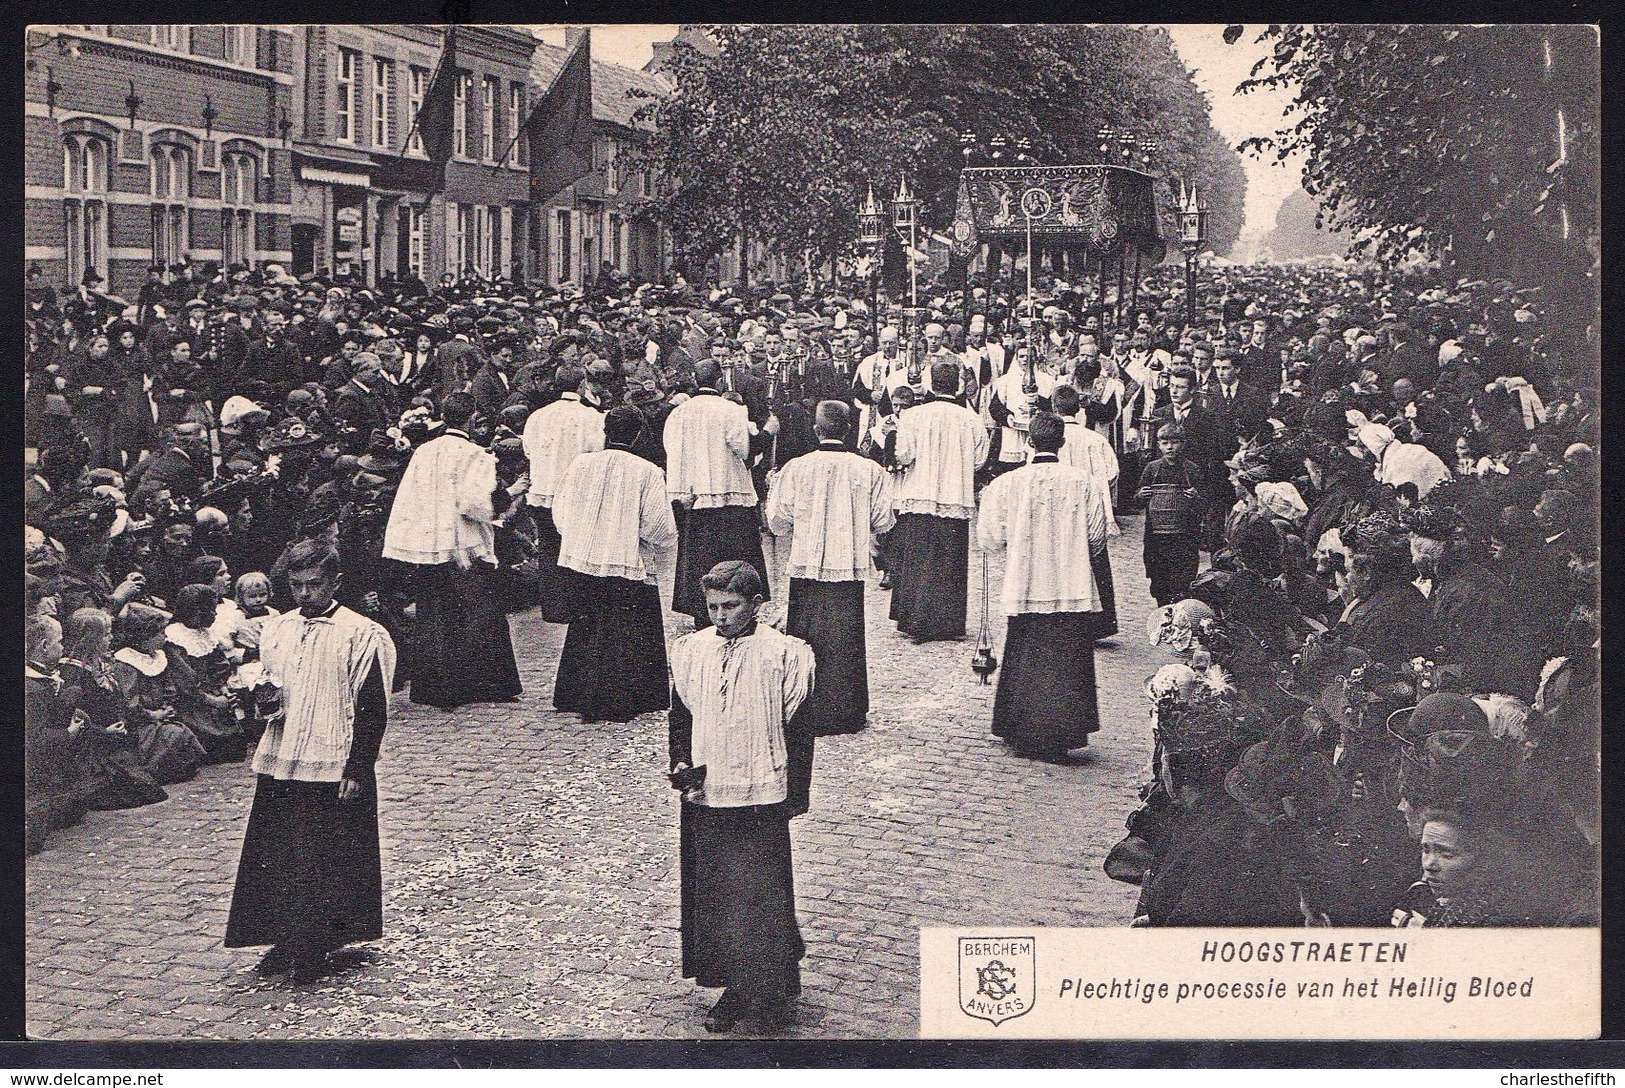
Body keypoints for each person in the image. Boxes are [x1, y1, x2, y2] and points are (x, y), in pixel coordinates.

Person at [225, 539, 397, 982]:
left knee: (328, 853)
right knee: (280, 850)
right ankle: (284, 936)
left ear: (335, 582)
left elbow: (372, 708)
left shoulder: (361, 633)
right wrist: (264, 698)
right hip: (285, 754)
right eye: (296, 585)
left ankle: (320, 940)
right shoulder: (278, 629)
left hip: (333, 756)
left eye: (314, 585)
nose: (304, 595)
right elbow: (271, 687)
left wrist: (359, 767)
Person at [668, 561, 815, 1033]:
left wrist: (795, 793)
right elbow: (682, 715)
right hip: (709, 789)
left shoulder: (784, 654)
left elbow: (800, 727)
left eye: (731, 606)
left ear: (757, 605)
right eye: (713, 607)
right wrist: (680, 761)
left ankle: (771, 986)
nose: (721, 616)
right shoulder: (692, 651)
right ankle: (733, 985)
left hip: (761, 788)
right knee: (717, 890)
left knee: (761, 889)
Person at [765, 400, 895, 814]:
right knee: (844, 638)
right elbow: (884, 522)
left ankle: (805, 704)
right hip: (847, 565)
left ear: (816, 428)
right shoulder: (868, 471)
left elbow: (777, 520)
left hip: (806, 564)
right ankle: (845, 709)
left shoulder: (796, 468)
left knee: (804, 637)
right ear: (849, 427)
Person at [978, 413, 1112, 761]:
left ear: (1029, 442)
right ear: (1063, 443)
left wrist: (1019, 547)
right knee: (1066, 654)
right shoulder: (1084, 482)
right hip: (1071, 583)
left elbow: (989, 538)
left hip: (1026, 581)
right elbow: (1097, 539)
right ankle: (1062, 732)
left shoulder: (1007, 483)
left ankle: (1021, 729)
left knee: (1025, 651)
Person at [381, 393, 522, 708]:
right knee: (478, 613)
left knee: (436, 613)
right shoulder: (475, 455)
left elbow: (409, 498)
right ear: (471, 419)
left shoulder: (424, 452)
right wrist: (508, 496)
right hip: (464, 545)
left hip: (430, 544)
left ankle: (435, 686)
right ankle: (485, 685)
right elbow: (474, 504)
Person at [551, 405, 678, 723]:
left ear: (606, 432)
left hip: (585, 560)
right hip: (625, 560)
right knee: (624, 630)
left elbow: (561, 513)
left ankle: (577, 693)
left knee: (587, 627)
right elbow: (658, 529)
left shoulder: (581, 464)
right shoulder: (647, 471)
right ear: (637, 435)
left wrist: (583, 538)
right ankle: (622, 697)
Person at [663, 361, 777, 627]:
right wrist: (768, 432)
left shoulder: (678, 414)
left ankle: (702, 614)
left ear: (694, 380)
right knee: (733, 560)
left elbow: (671, 451)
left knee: (699, 560)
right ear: (720, 382)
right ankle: (737, 613)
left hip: (693, 499)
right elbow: (746, 451)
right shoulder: (732, 410)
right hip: (731, 500)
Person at [888, 360, 989, 642]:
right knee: (949, 562)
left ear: (931, 384)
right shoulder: (972, 419)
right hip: (954, 496)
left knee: (919, 560)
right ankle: (948, 624)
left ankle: (916, 621)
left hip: (920, 493)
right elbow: (980, 460)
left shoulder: (914, 416)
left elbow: (903, 455)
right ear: (957, 385)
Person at [523, 364, 605, 623]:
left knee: (549, 548)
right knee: (578, 547)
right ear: (582, 385)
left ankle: (555, 607)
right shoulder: (591, 417)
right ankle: (578, 606)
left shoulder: (537, 416)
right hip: (576, 493)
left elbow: (528, 450)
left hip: (543, 490)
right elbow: (597, 451)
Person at [1135, 423, 1204, 607]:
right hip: (1156, 537)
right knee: (1159, 579)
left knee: (1182, 579)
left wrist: (1197, 497)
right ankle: (1163, 611)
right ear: (1158, 445)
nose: (1170, 447)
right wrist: (1141, 495)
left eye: (1175, 442)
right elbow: (1137, 496)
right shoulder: (1152, 468)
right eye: (1165, 443)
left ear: (1183, 444)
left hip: (1184, 536)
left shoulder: (1192, 469)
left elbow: (1205, 501)